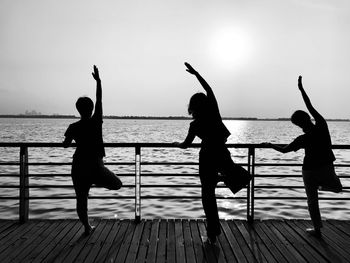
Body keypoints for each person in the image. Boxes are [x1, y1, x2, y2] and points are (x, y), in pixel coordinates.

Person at [174, 62, 251, 243]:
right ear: (207, 104)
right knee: (235, 174)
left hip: (207, 157)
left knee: (208, 197)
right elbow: (209, 88)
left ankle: (212, 234)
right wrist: (197, 74)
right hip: (221, 153)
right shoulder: (214, 113)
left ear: (192, 107)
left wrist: (177, 144)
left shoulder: (195, 125)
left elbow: (185, 145)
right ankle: (225, 177)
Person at [264, 76, 342, 237]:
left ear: (301, 122)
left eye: (298, 124)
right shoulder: (320, 126)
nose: (300, 127)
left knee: (313, 200)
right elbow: (310, 106)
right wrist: (301, 89)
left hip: (310, 171)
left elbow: (285, 150)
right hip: (323, 167)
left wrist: (270, 145)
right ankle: (317, 230)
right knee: (335, 189)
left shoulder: (306, 136)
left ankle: (317, 229)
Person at [63, 65, 122, 235]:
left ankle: (87, 227)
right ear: (91, 109)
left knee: (81, 200)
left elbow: (66, 145)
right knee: (117, 184)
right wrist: (98, 81)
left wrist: (71, 140)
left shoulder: (73, 126)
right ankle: (95, 181)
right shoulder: (96, 121)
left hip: (79, 166)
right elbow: (99, 99)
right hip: (95, 166)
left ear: (78, 109)